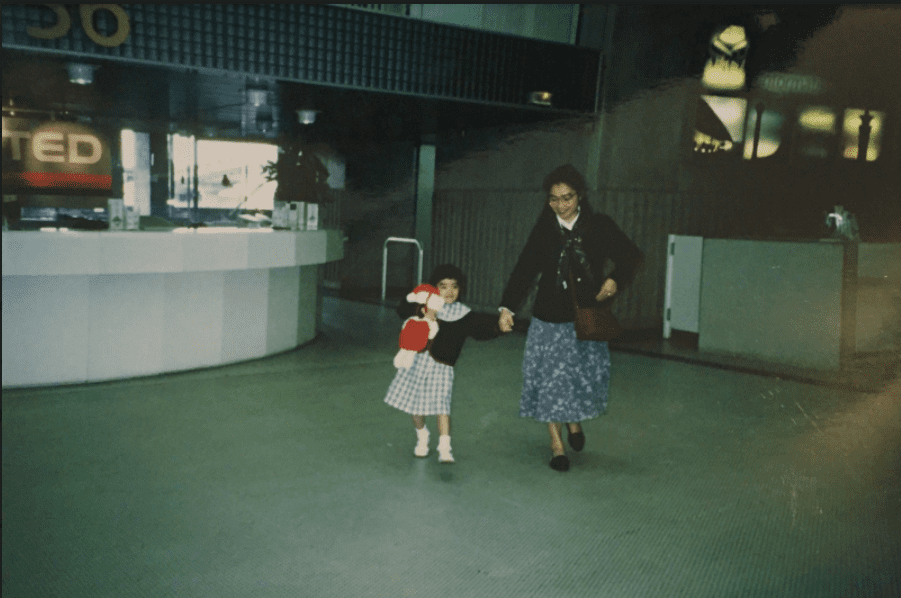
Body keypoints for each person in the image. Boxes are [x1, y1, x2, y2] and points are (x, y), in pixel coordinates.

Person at [498, 165, 643, 472]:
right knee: (552, 381)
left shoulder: (599, 225)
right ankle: (556, 445)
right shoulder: (545, 229)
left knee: (576, 378)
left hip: (585, 317)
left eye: (567, 198)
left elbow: (630, 255)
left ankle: (574, 423)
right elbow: (525, 267)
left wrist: (616, 279)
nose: (560, 206)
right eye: (553, 199)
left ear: (581, 196)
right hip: (548, 318)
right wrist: (507, 308)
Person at [383, 264, 507, 463]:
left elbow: (481, 331)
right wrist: (420, 303)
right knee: (416, 407)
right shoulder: (426, 305)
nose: (450, 291)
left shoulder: (463, 314)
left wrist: (499, 328)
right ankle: (422, 436)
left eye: (455, 287)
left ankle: (444, 447)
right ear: (434, 288)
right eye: (443, 286)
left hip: (442, 368)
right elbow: (402, 309)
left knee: (442, 407)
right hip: (418, 363)